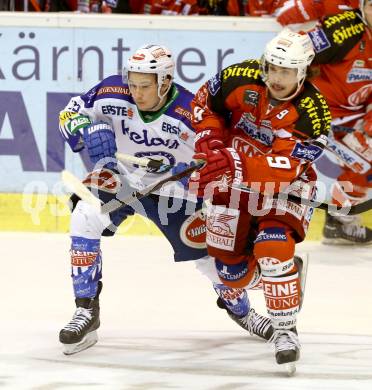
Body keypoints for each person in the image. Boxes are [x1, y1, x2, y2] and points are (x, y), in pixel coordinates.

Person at [58, 44, 272, 355]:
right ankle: (86, 310)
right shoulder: (110, 91)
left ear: (165, 81)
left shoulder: (189, 111)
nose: (136, 92)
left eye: (145, 86)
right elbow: (69, 113)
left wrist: (197, 172)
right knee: (84, 217)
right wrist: (87, 129)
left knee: (210, 263)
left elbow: (219, 159)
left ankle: (243, 312)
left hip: (174, 192)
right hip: (121, 178)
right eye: (132, 83)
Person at [190, 29, 331, 370]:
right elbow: (203, 105)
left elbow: (287, 167)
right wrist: (210, 141)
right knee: (230, 273)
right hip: (233, 181)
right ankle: (281, 275)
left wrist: (235, 162)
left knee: (272, 247)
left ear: (304, 71)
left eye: (287, 71)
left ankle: (285, 329)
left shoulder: (314, 111)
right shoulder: (239, 77)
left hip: (285, 188)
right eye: (273, 68)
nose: (278, 78)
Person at [306, 0, 372, 244]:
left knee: (366, 161)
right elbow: (295, 49)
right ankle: (340, 217)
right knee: (366, 163)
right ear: (362, 7)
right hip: (319, 118)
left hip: (354, 118)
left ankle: (339, 218)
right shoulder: (345, 30)